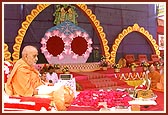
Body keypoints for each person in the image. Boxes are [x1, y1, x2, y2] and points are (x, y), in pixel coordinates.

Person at [5, 45, 74, 111]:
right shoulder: (21, 69)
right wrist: (47, 91)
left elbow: (36, 82)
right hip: (33, 92)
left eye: (37, 56)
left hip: (39, 89)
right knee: (62, 92)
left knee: (65, 89)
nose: (37, 59)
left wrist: (46, 85)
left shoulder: (28, 66)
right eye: (34, 56)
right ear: (26, 56)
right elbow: (25, 91)